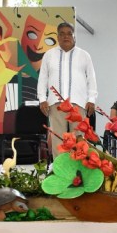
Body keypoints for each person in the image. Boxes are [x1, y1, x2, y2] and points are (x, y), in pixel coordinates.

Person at [37, 22, 98, 154]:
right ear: (57, 37)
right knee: (59, 141)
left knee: (78, 141)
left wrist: (91, 99)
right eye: (62, 34)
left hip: (78, 104)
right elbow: (42, 78)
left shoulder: (84, 55)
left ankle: (78, 173)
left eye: (69, 33)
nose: (66, 37)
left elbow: (91, 79)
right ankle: (60, 173)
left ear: (74, 36)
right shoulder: (49, 55)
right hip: (56, 104)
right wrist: (42, 99)